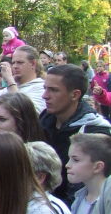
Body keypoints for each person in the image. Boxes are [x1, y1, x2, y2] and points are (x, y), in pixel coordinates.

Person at [40, 64, 111, 206]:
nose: (45, 96)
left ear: (75, 94)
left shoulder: (94, 131)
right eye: (45, 89)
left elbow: (86, 190)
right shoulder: (45, 119)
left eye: (54, 90)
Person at [0, 45, 47, 113]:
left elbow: (27, 116)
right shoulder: (8, 89)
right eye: (13, 63)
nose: (15, 66)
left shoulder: (41, 88)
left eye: (20, 62)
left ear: (33, 64)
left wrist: (10, 81)